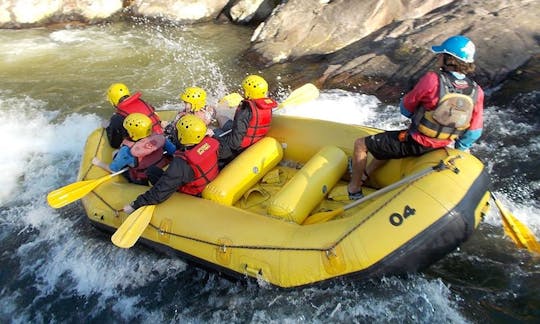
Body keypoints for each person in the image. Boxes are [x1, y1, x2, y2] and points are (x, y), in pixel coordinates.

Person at [347, 35, 484, 199]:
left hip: (417, 143)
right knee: (387, 142)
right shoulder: (476, 90)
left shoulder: (432, 79)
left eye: (441, 55)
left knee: (361, 144)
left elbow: (406, 108)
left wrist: (419, 117)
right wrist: (459, 148)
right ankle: (365, 176)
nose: (438, 57)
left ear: (449, 59)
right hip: (444, 144)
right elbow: (474, 131)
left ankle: (354, 189)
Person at [122, 114, 220, 214]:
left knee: (151, 171)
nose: (175, 133)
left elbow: (160, 192)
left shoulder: (181, 164)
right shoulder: (211, 143)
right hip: (206, 180)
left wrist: (135, 205)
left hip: (192, 192)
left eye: (177, 131)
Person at [92, 113, 176, 185]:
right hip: (160, 166)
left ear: (132, 133)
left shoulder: (126, 151)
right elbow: (173, 151)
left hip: (142, 177)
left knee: (115, 153)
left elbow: (112, 169)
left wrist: (98, 163)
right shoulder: (159, 138)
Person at [214, 75, 278, 166]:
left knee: (214, 132)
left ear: (249, 93)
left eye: (244, 90)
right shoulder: (267, 107)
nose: (243, 92)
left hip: (239, 148)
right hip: (252, 140)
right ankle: (215, 113)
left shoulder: (245, 111)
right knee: (221, 118)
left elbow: (234, 143)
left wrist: (215, 137)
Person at [104, 83, 164, 149]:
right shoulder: (141, 101)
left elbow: (115, 144)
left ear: (112, 100)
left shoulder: (117, 118)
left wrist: (108, 128)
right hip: (161, 136)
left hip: (147, 145)